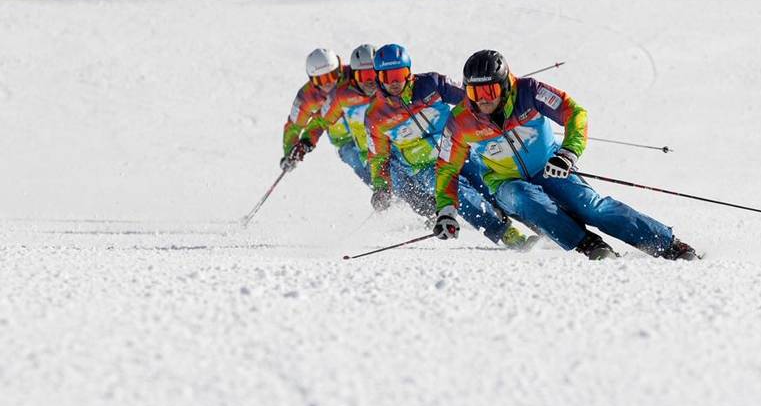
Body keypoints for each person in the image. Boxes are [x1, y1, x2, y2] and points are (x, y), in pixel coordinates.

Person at [434, 50, 698, 260]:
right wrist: (446, 210)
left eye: (489, 91)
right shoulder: (460, 121)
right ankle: (587, 243)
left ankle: (666, 244)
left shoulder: (529, 92)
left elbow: (575, 113)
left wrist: (568, 153)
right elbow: (447, 167)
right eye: (474, 92)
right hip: (504, 182)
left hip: (550, 167)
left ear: (505, 85)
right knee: (524, 197)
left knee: (592, 208)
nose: (482, 99)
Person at [365, 44, 534, 249]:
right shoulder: (375, 115)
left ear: (408, 72)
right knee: (462, 196)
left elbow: (470, 99)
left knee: (494, 186)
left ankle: (541, 226)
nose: (394, 82)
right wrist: (381, 187)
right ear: (378, 77)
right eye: (387, 77)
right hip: (426, 167)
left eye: (399, 75)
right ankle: (507, 234)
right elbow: (378, 156)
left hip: (459, 149)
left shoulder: (431, 84)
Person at [279, 48, 352, 174]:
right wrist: (290, 154)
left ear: (339, 70)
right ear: (312, 80)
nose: (328, 83)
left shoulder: (353, 75)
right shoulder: (307, 96)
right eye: (321, 80)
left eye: (332, 76)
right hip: (345, 140)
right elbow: (294, 126)